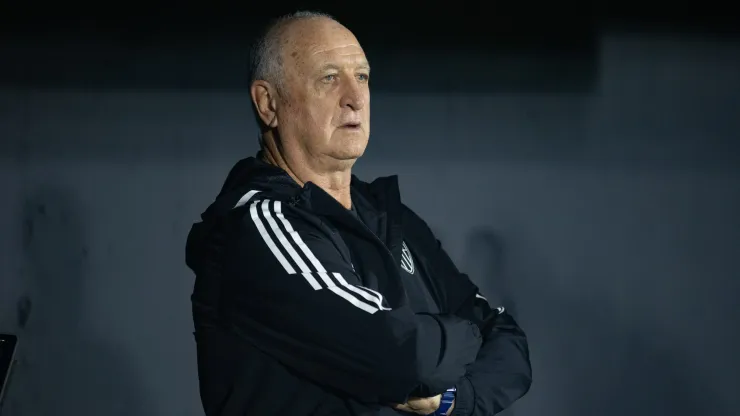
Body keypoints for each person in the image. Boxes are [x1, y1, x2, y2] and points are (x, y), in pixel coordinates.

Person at [186, 11, 532, 416]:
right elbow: (400, 358)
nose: (355, 97)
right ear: (268, 103)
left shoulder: (386, 214)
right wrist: (472, 333)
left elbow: (509, 343)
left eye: (363, 77)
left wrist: (452, 402)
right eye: (329, 78)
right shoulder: (258, 227)